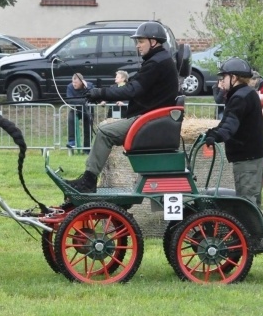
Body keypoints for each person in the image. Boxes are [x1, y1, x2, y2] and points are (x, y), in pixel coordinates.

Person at [66, 22, 179, 193]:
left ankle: (88, 181)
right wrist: (100, 94)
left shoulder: (156, 63)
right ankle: (88, 178)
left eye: (141, 41)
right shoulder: (160, 60)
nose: (137, 45)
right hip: (152, 120)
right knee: (105, 130)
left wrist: (100, 93)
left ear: (153, 41)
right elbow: (135, 85)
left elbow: (132, 90)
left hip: (148, 122)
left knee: (105, 132)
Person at [203, 58, 263, 208]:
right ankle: (254, 224)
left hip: (247, 159)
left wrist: (215, 136)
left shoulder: (239, 97)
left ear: (234, 78)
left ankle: (249, 224)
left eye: (224, 77)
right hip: (253, 155)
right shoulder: (246, 93)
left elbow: (230, 125)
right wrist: (213, 132)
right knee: (252, 201)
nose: (222, 81)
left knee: (247, 203)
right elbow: (229, 121)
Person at [65, 72, 93, 151]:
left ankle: (87, 148)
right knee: (71, 119)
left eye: (76, 82)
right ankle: (72, 141)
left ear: (81, 81)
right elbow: (70, 100)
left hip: (87, 110)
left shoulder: (89, 85)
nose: (74, 84)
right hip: (75, 109)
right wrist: (83, 101)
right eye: (73, 82)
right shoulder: (69, 87)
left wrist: (86, 87)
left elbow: (93, 96)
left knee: (88, 129)